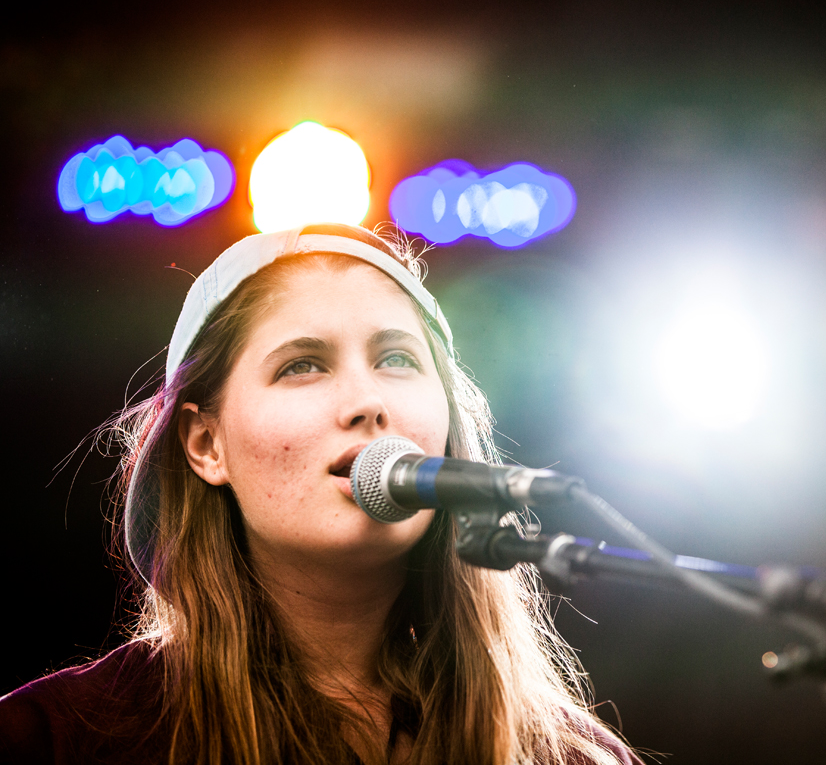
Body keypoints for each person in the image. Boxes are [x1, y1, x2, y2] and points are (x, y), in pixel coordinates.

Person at [0, 223, 641, 765]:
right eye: (302, 365)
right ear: (205, 445)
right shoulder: (51, 738)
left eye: (397, 360)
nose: (368, 402)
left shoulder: (569, 753)